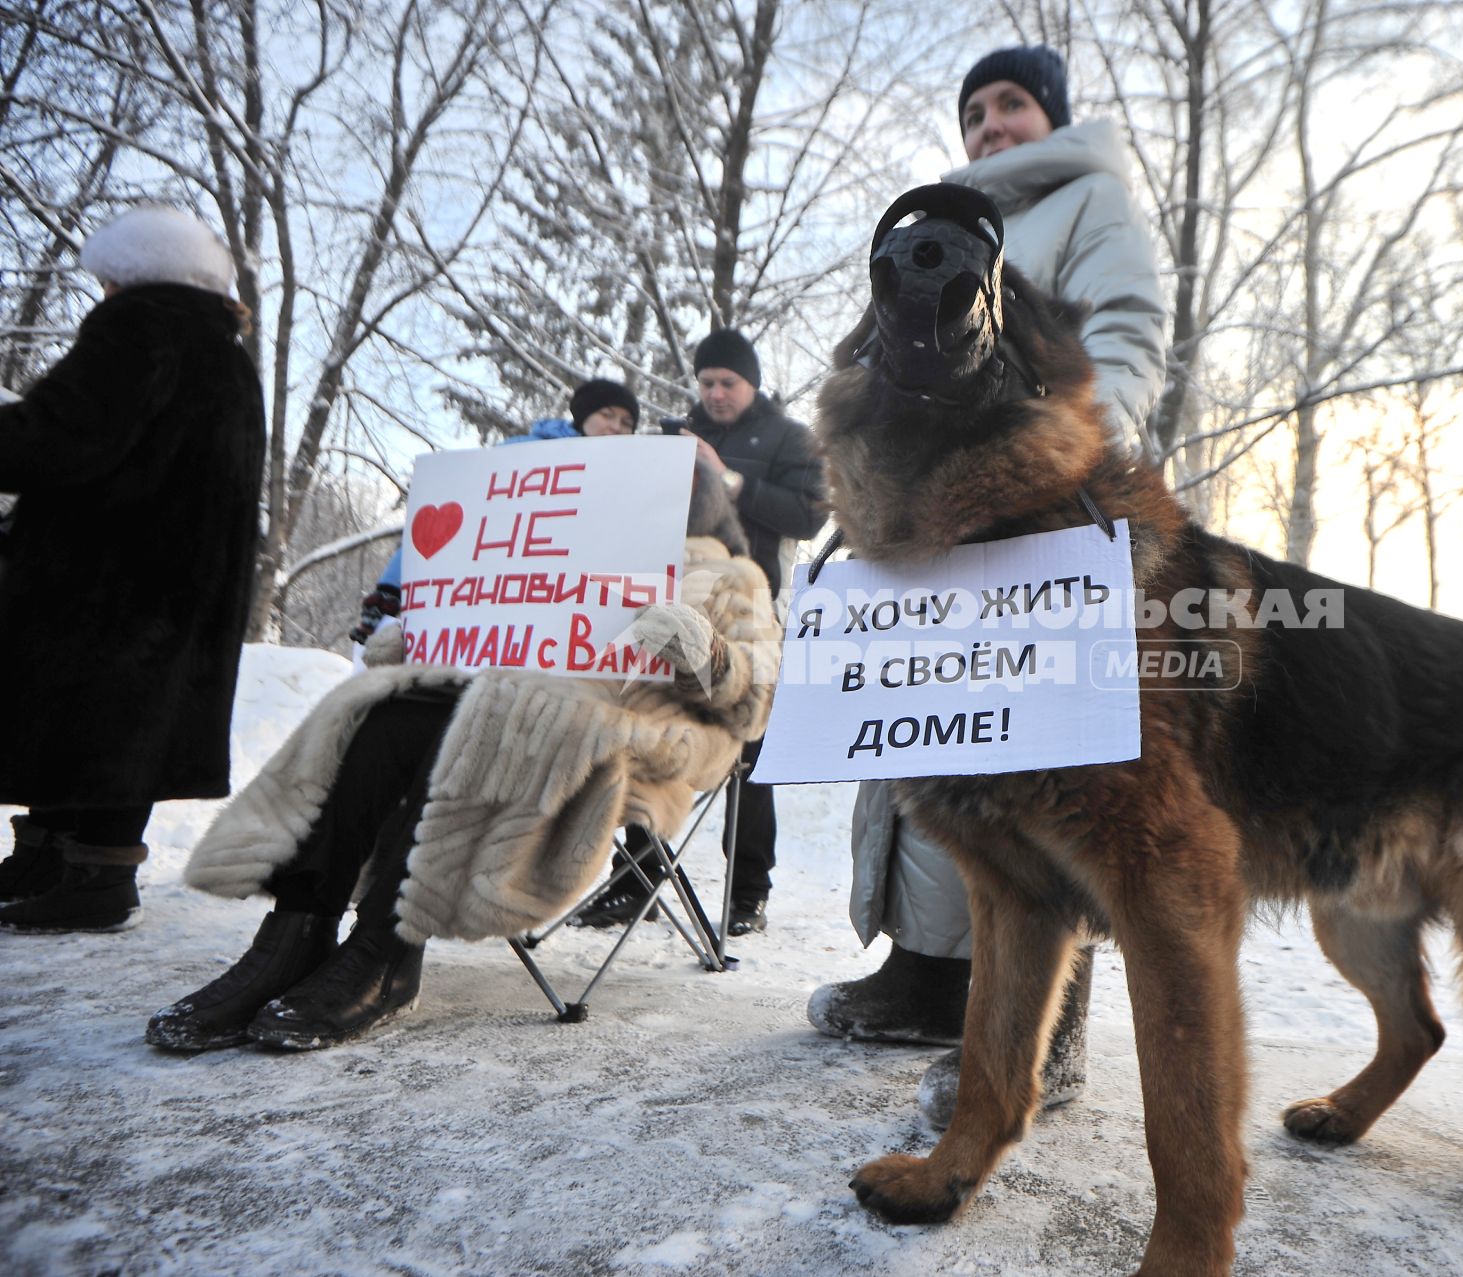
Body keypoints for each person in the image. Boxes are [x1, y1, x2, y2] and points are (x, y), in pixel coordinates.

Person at [806, 45, 1168, 1124]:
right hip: (930, 514)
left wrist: (1089, 453)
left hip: (1049, 498)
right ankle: (926, 968)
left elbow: (1126, 334)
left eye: (1011, 103)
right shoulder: (935, 230)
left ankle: (1047, 1033)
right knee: (927, 733)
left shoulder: (1087, 199)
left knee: (1056, 760)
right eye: (974, 109)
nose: (990, 123)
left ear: (1050, 116)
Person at [146, 457, 776, 1052]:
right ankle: (294, 935)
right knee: (392, 712)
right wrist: (424, 636)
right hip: (514, 698)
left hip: (634, 730)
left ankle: (385, 950)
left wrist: (708, 655)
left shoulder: (731, 577)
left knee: (501, 715)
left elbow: (756, 701)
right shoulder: (566, 543)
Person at [0, 206, 265, 934]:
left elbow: (62, 437)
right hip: (181, 576)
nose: (105, 294)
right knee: (129, 709)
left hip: (108, 568)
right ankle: (74, 859)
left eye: (109, 280)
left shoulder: (141, 329)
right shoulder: (225, 352)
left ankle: (85, 873)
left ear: (133, 275)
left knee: (85, 699)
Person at [582, 328, 826, 938]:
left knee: (749, 754)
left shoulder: (789, 438)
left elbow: (812, 514)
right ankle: (632, 881)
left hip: (750, 613)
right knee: (652, 732)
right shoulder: (672, 436)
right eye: (707, 382)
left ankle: (747, 894)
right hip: (665, 609)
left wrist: (729, 480)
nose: (715, 393)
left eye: (728, 383)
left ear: (753, 384)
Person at [351, 377, 642, 644]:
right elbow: (444, 520)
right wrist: (392, 588)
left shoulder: (629, 481)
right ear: (585, 415)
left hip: (563, 618)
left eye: (626, 422)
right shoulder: (521, 453)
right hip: (496, 608)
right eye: (607, 415)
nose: (616, 427)